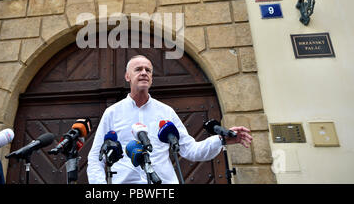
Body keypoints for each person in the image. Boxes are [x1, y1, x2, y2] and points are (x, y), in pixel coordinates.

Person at [87, 55, 253, 184]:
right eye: (138, 69)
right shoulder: (113, 112)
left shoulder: (166, 112)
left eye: (148, 70)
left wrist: (221, 139)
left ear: (152, 77)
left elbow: (190, 149)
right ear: (127, 76)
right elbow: (96, 157)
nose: (144, 72)